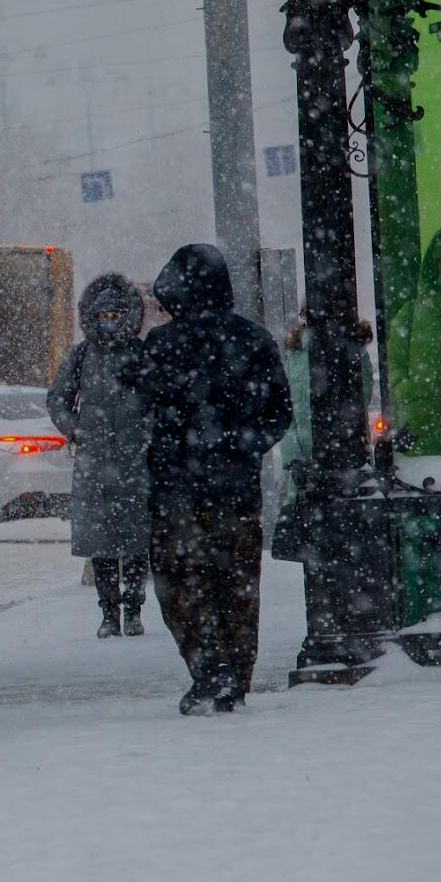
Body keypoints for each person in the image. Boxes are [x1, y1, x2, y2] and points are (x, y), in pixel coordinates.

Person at [142, 244, 292, 715]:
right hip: (236, 491)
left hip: (176, 491)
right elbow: (279, 413)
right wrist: (240, 445)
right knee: (238, 587)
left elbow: (145, 410)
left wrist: (175, 449)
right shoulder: (254, 340)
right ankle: (234, 678)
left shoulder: (162, 345)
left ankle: (208, 669)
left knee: (182, 584)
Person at [48, 273, 152, 639]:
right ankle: (108, 613)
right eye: (102, 316)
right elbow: (58, 398)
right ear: (92, 318)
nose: (109, 322)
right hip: (94, 464)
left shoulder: (141, 355)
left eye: (115, 315)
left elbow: (158, 399)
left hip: (136, 462)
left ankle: (134, 610)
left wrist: (147, 435)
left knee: (137, 541)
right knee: (102, 543)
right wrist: (75, 429)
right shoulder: (80, 356)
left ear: (127, 317)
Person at [273, 314, 375, 560]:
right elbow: (286, 415)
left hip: (328, 464)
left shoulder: (300, 356)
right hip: (319, 466)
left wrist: (296, 458)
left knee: (332, 548)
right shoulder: (298, 356)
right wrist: (295, 459)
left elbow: (361, 402)